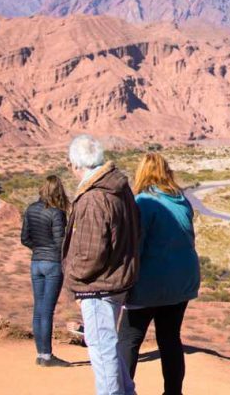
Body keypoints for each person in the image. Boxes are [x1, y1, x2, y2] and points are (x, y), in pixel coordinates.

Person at [61, 135, 140, 395]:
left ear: (75, 164)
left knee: (101, 349)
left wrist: (71, 277)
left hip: (97, 287)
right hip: (117, 281)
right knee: (109, 346)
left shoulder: (94, 197)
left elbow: (90, 254)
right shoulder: (119, 187)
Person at [118, 152, 200, 395]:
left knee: (129, 338)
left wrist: (124, 281)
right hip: (182, 283)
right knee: (170, 338)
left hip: (150, 283)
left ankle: (121, 390)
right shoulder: (181, 199)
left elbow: (136, 246)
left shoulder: (144, 202)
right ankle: (173, 392)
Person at [20, 175, 71, 367]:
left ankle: (41, 354)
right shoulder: (57, 213)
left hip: (36, 263)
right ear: (58, 191)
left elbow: (25, 238)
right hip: (52, 265)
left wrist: (39, 248)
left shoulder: (31, 209)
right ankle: (47, 356)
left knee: (38, 310)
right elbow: (60, 243)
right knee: (47, 311)